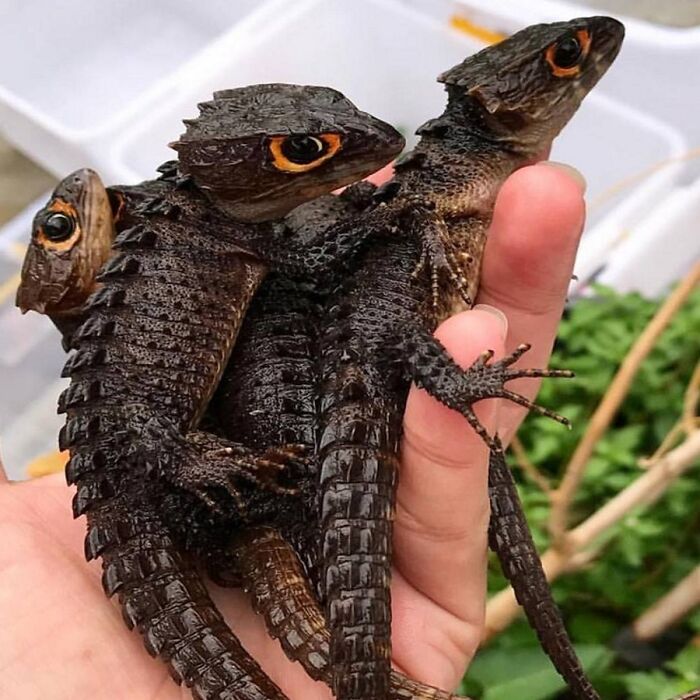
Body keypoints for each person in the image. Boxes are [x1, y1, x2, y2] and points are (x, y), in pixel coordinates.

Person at [0, 162, 586, 699]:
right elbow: (146, 439)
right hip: (223, 488)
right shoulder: (121, 348)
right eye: (58, 229)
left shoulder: (179, 283)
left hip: (259, 462)